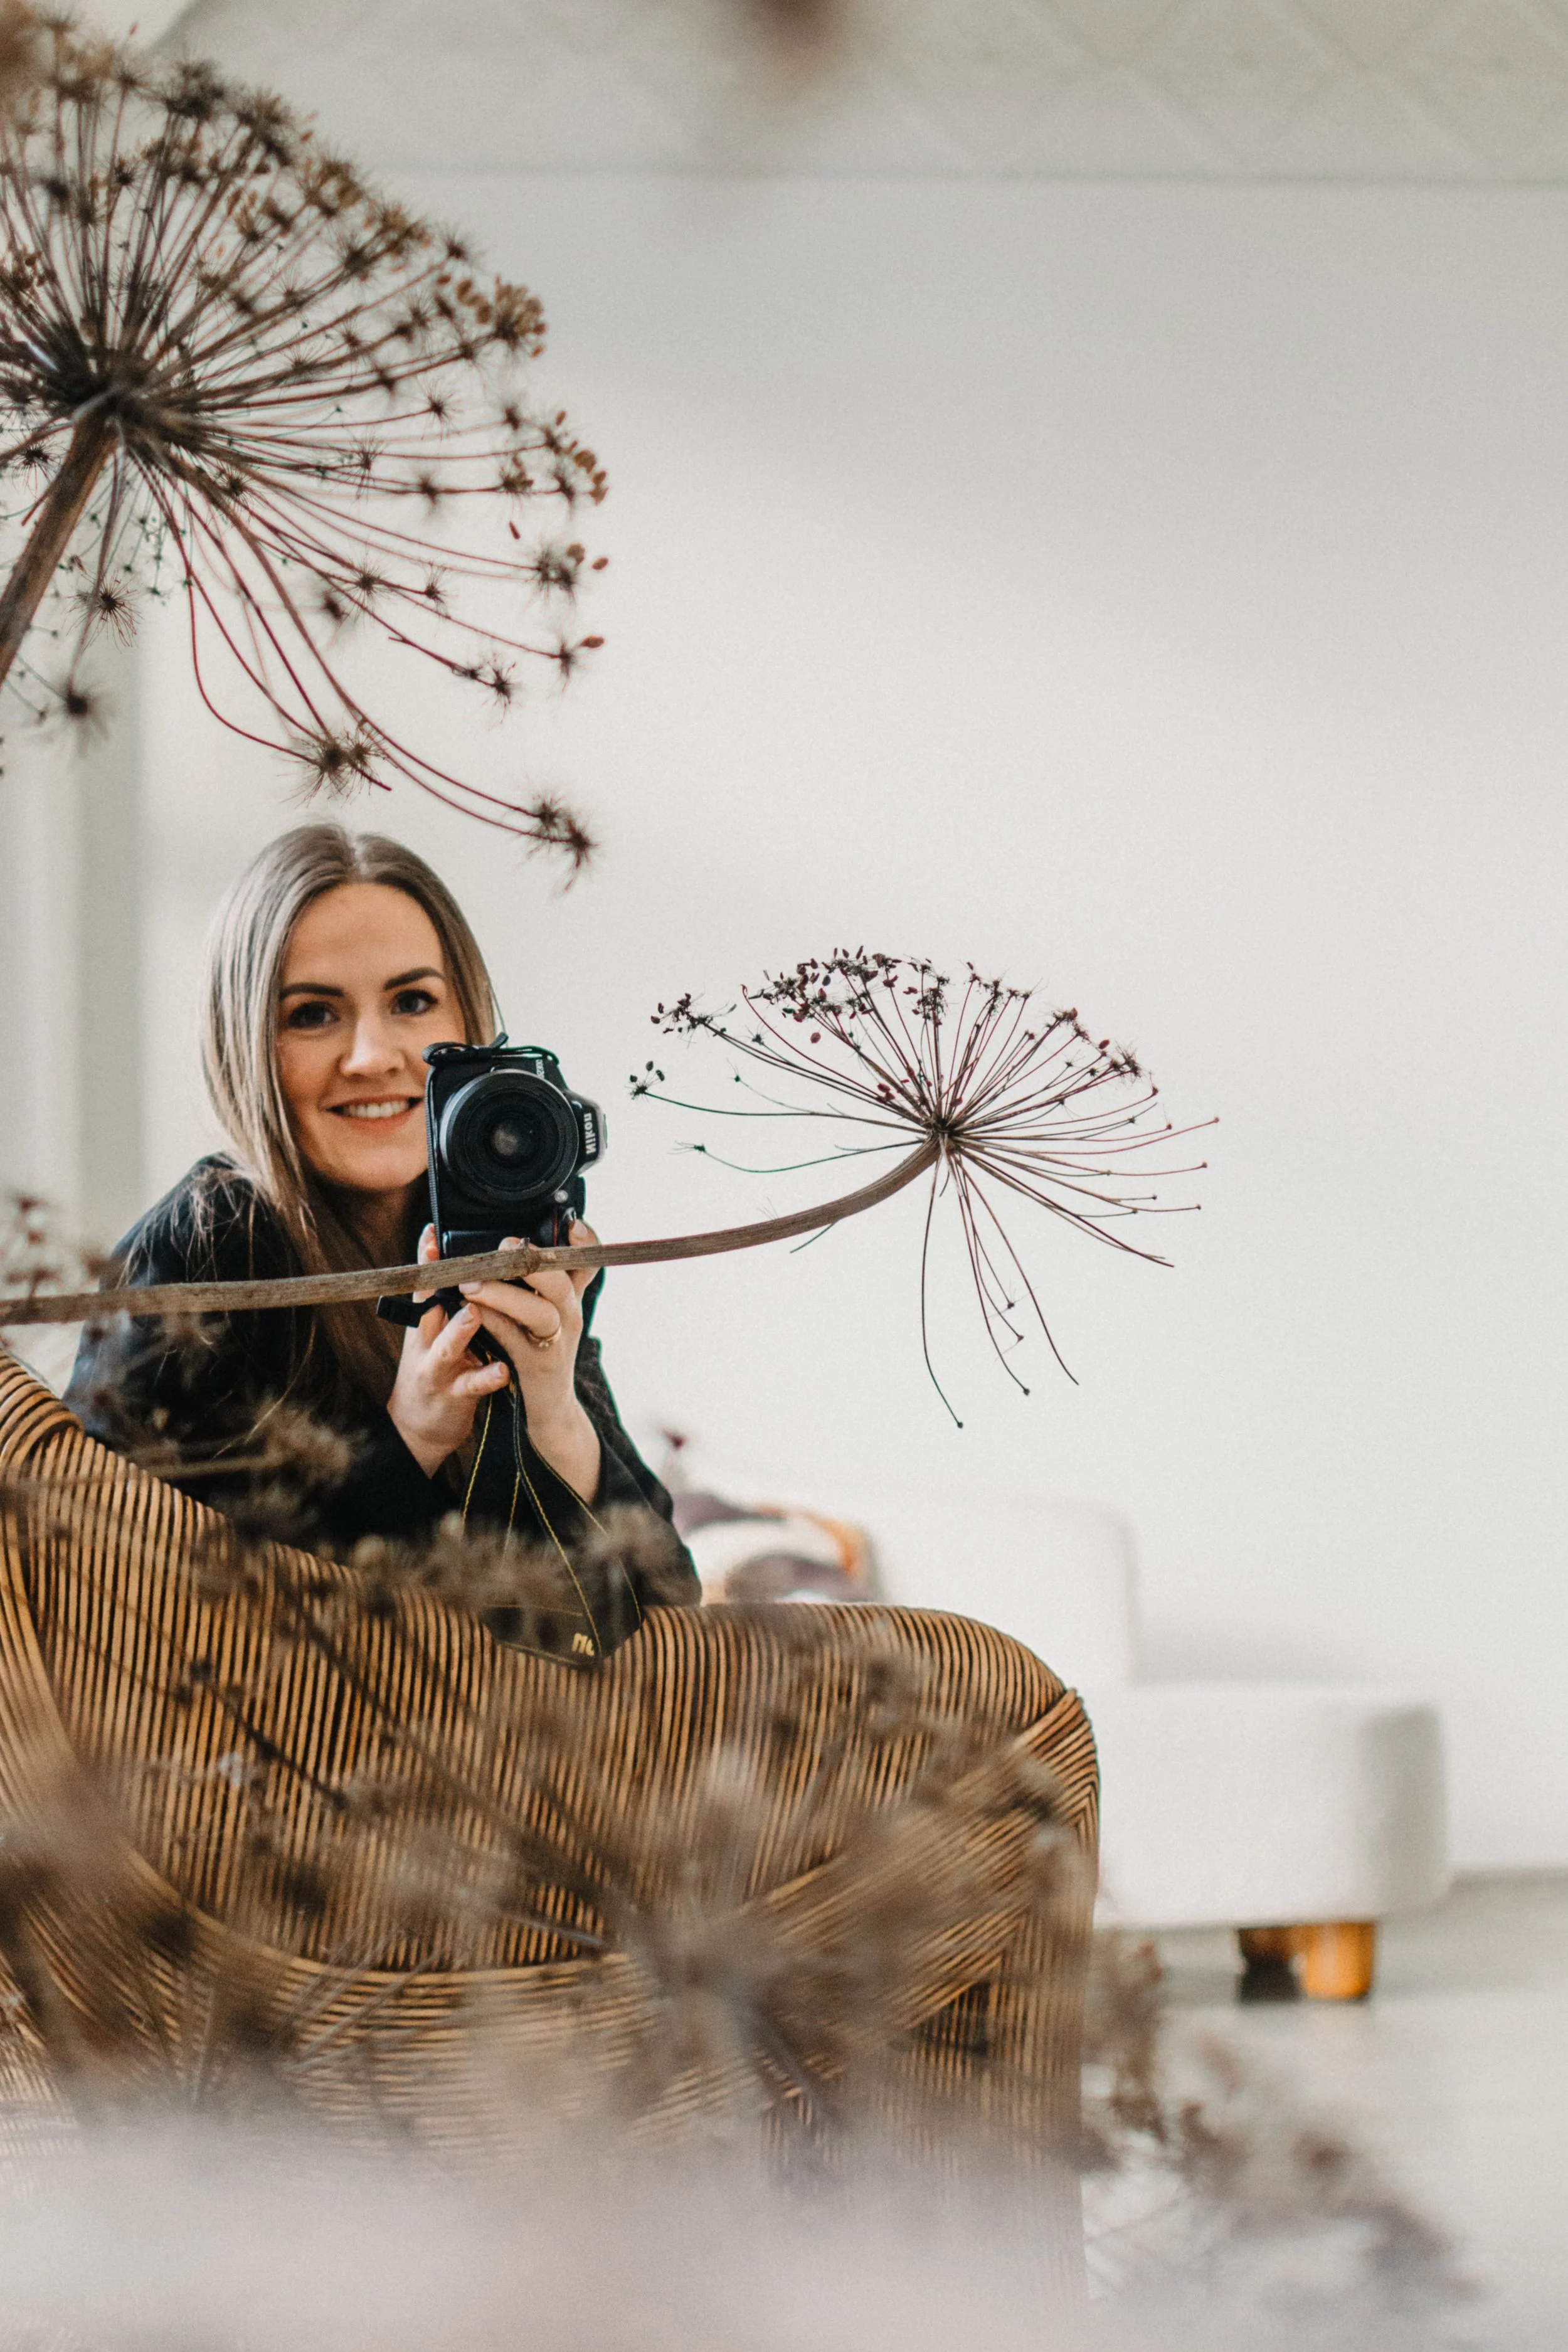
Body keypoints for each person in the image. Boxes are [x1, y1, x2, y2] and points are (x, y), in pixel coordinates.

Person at [67, 825, 696, 1658]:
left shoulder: (505, 1230)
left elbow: (671, 1632)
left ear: (469, 1023)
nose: (373, 1055)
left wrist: (554, 1413)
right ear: (247, 1042)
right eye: (314, 1014)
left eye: (412, 1001)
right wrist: (411, 1440)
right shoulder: (200, 1257)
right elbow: (121, 1610)